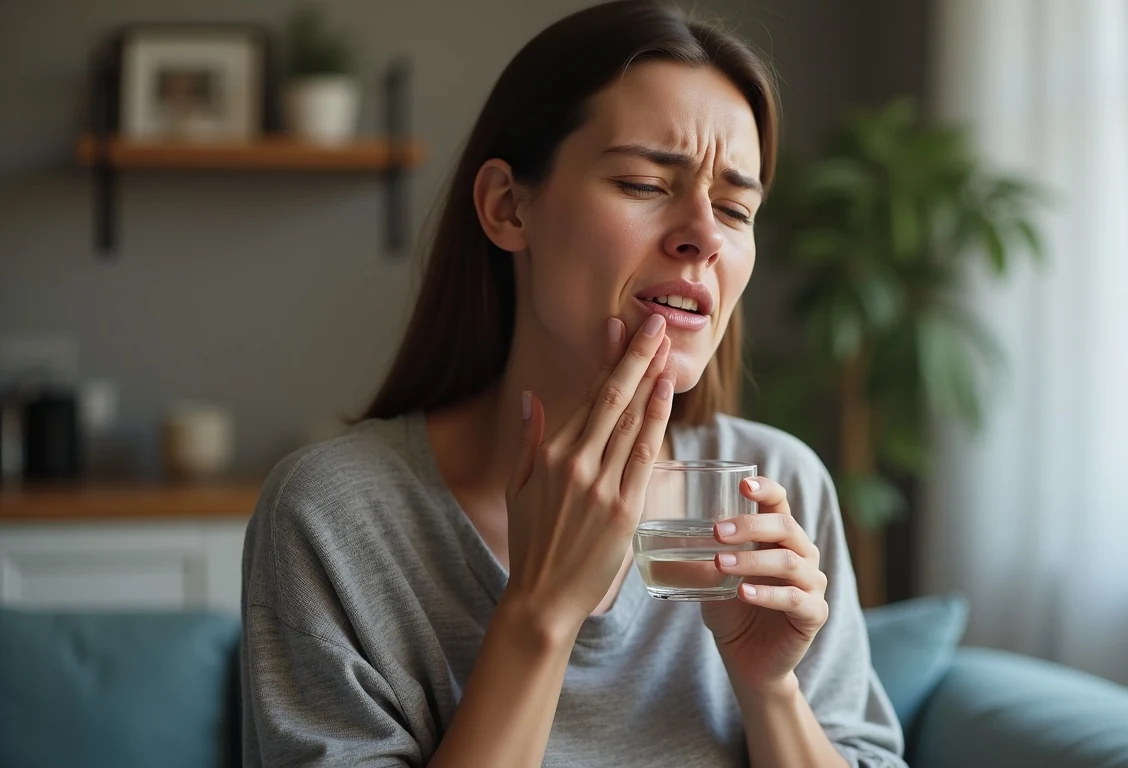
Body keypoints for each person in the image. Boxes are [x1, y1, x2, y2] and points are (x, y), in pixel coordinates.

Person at [240, 1, 906, 766]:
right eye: (644, 183)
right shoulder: (333, 517)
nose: (705, 236)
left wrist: (770, 688)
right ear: (506, 206)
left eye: (734, 207)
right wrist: (541, 614)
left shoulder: (776, 486)